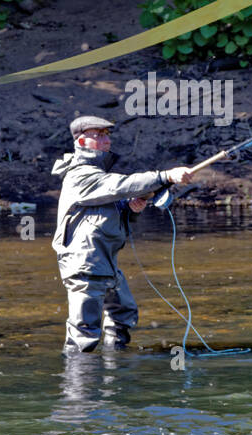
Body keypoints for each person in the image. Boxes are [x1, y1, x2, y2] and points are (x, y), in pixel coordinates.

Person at [51, 115, 192, 353]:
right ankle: (80, 381)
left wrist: (129, 207)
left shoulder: (97, 176)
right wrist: (164, 176)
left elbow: (106, 205)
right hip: (85, 263)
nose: (107, 140)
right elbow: (120, 185)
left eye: (107, 134)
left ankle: (115, 369)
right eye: (100, 135)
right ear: (83, 141)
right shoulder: (80, 174)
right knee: (83, 332)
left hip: (105, 261)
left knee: (123, 314)